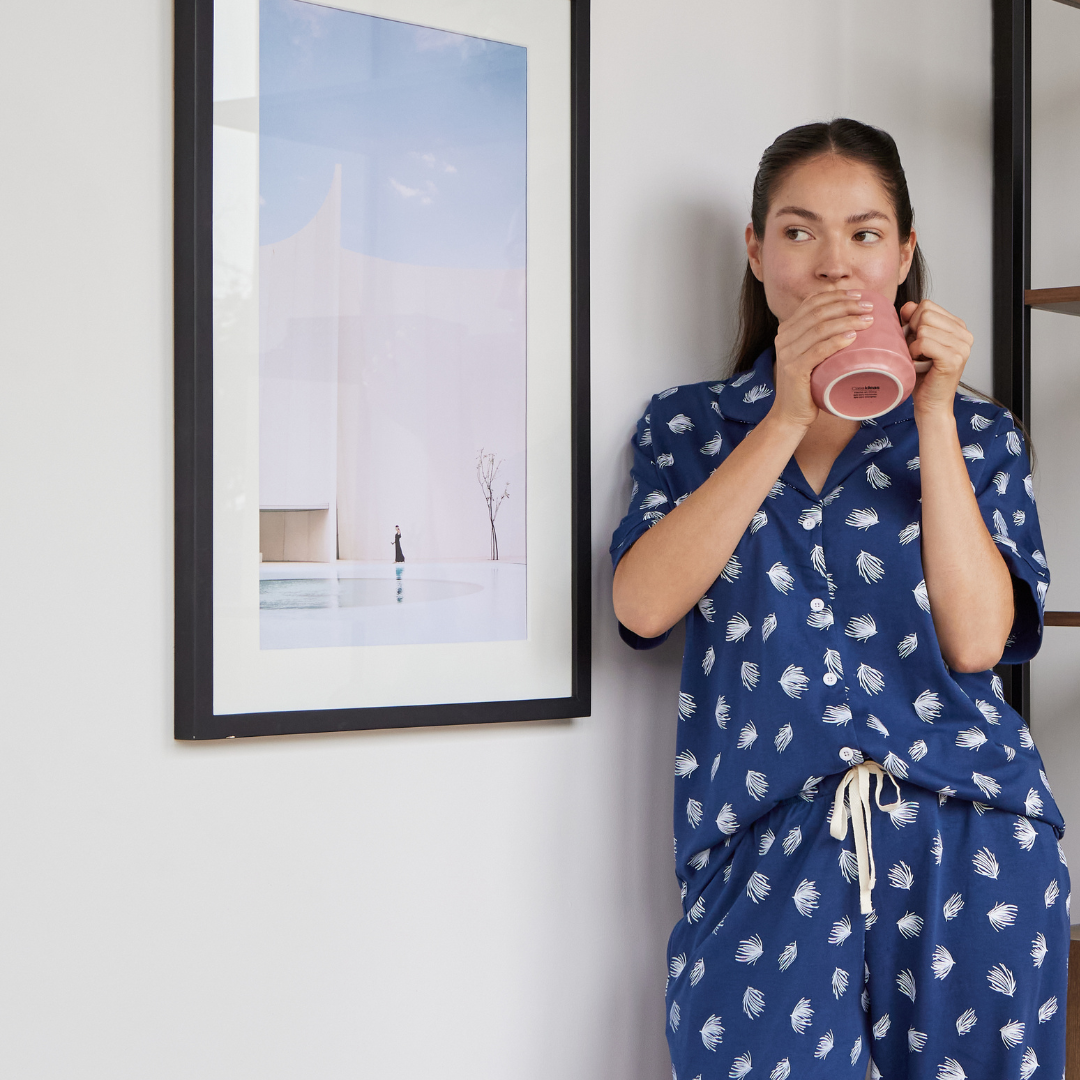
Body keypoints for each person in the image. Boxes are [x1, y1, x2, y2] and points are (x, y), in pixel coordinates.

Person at [610, 119, 1068, 1080]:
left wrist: (934, 411)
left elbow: (978, 641)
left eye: (864, 233)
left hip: (970, 837)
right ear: (757, 251)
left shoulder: (978, 435)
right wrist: (784, 415)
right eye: (799, 231)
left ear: (903, 254)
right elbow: (642, 608)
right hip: (761, 841)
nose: (833, 263)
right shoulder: (688, 428)